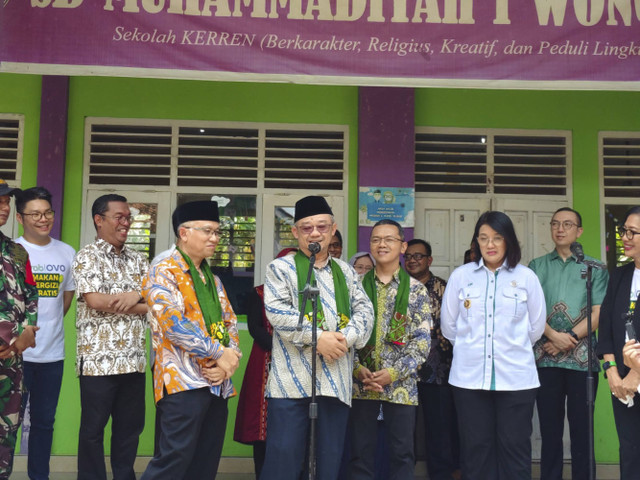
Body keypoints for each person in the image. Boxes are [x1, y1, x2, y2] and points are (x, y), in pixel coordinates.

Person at [260, 195, 373, 480]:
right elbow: (277, 313)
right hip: (290, 382)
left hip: (335, 380)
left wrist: (344, 339)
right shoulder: (280, 269)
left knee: (329, 462)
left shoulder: (347, 272)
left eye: (322, 227)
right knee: (283, 461)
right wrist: (318, 337)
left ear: (333, 229)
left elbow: (365, 312)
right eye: (307, 227)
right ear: (295, 232)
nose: (315, 233)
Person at [441, 210, 546, 480]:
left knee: (515, 450)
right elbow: (449, 327)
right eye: (483, 238)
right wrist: (472, 347)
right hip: (469, 380)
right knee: (476, 451)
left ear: (508, 241)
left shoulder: (526, 278)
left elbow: (535, 328)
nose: (490, 244)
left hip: (517, 381)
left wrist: (510, 348)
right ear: (475, 242)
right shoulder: (461, 277)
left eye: (497, 238)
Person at [141, 200, 241, 479]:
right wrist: (218, 353)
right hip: (182, 382)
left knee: (204, 465)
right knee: (172, 463)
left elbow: (229, 323)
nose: (215, 238)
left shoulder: (211, 278)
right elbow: (172, 323)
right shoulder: (164, 269)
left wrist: (227, 363)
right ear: (184, 233)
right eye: (207, 231)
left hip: (216, 383)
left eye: (217, 232)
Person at [72, 194, 149, 480]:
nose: (125, 223)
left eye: (128, 217)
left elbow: (156, 300)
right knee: (93, 431)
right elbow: (96, 301)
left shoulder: (139, 260)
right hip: (97, 362)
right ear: (99, 219)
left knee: (129, 431)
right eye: (119, 216)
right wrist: (137, 302)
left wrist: (132, 299)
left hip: (134, 360)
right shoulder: (86, 256)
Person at [529, 207, 608, 480]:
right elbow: (529, 311)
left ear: (579, 231)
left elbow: (599, 313)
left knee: (582, 431)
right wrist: (552, 336)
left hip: (583, 363)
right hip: (545, 359)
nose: (560, 229)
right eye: (555, 224)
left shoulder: (595, 267)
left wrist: (569, 338)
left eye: (567, 224)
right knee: (549, 431)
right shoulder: (536, 266)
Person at [348, 220, 431, 480]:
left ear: (403, 246)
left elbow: (422, 342)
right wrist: (357, 369)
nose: (381, 244)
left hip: (401, 388)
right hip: (361, 386)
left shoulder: (417, 290)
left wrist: (393, 373)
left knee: (402, 454)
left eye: (389, 239)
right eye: (375, 239)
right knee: (360, 455)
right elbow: (344, 333)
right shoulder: (355, 287)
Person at [15, 187, 75, 480]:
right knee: (7, 424)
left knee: (44, 424)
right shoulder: (11, 252)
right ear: (20, 218)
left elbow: (65, 300)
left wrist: (46, 327)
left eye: (48, 212)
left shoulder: (66, 252)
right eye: (35, 214)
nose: (43, 219)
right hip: (14, 355)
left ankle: (39, 476)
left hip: (52, 356)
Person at [234, 247, 297, 479]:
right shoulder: (259, 292)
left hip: (299, 363)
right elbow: (254, 328)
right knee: (261, 425)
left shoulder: (306, 294)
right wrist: (280, 349)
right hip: (264, 361)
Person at [404, 238, 460, 480]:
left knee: (439, 429)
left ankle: (441, 474)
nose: (413, 260)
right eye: (408, 256)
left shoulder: (445, 289)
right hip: (403, 369)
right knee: (403, 430)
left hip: (438, 369)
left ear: (429, 260)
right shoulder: (398, 287)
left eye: (418, 256)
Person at [597, 206, 640, 479]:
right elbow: (606, 326)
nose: (625, 236)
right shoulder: (620, 275)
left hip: (633, 376)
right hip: (621, 381)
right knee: (630, 447)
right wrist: (611, 371)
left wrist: (636, 373)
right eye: (623, 230)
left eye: (632, 232)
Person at [0, 179, 38, 480]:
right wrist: (11, 338)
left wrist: (24, 336)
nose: (3, 208)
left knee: (6, 436)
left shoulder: (17, 252)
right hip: (9, 347)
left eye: (5, 202)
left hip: (12, 365)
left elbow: (32, 298)